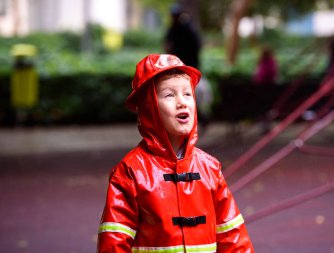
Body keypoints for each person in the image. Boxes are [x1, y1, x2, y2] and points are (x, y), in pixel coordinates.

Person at [97, 54, 255, 252]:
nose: (182, 102)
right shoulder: (130, 172)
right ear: (149, 108)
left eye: (187, 94)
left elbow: (233, 236)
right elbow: (113, 242)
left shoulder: (209, 168)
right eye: (169, 95)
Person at [164, 4, 202, 69]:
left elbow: (196, 44)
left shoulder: (187, 28)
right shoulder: (172, 29)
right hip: (178, 63)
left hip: (189, 63)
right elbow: (167, 45)